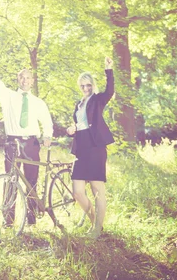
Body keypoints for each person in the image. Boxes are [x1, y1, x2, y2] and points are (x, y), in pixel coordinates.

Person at [0, 46, 53, 224]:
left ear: (32, 81)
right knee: (10, 179)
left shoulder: (38, 102)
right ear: (18, 79)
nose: (24, 80)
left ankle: (31, 218)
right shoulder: (8, 96)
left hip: (31, 143)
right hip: (13, 143)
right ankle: (9, 220)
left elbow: (46, 120)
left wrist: (47, 135)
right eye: (21, 77)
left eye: (28, 77)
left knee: (31, 180)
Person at [66, 56, 114, 239]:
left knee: (97, 190)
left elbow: (110, 91)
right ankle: (95, 223)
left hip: (95, 148)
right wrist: (73, 128)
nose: (86, 88)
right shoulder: (79, 104)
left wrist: (108, 70)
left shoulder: (97, 99)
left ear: (92, 85)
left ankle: (96, 229)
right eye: (82, 86)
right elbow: (81, 123)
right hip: (81, 148)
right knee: (77, 191)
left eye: (88, 85)